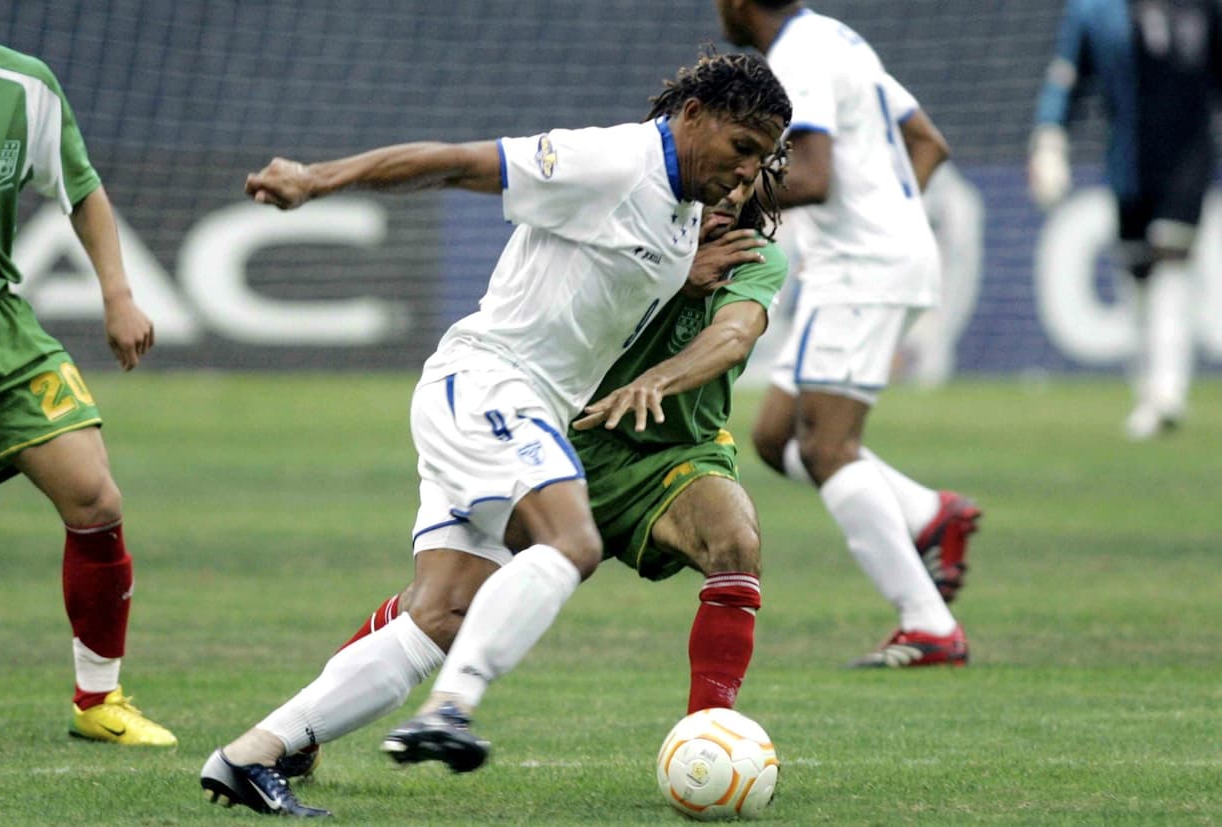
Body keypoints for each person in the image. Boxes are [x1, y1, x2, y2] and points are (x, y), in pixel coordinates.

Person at [198, 51, 791, 817]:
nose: (747, 173)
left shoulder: (687, 217)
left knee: (443, 611)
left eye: (762, 159)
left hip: (509, 401)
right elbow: (454, 164)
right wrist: (318, 180)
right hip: (489, 384)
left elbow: (606, 280)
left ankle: (251, 754)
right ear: (694, 115)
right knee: (570, 543)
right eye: (741, 148)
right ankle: (451, 709)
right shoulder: (609, 159)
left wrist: (683, 275)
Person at [715, 0, 980, 668]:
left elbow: (811, 176)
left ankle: (929, 625)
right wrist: (892, 224)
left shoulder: (798, 56)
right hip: (868, 262)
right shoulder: (838, 38)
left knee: (828, 447)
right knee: (777, 437)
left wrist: (723, 205)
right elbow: (930, 143)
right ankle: (929, 513)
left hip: (860, 270)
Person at [0, 1, 175, 746]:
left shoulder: (24, 85)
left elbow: (80, 189)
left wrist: (118, 294)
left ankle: (98, 701)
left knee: (95, 496)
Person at [1028, 0, 1222, 441]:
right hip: (1129, 167)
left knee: (1171, 262)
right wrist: (1049, 140)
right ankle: (1147, 389)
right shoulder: (1097, 11)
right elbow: (1066, 78)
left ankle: (1168, 391)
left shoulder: (1204, 8)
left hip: (1188, 160)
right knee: (1137, 275)